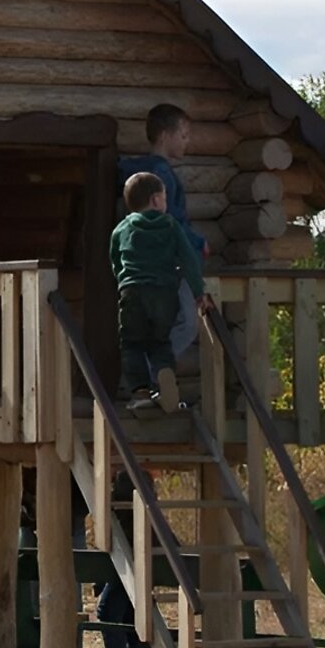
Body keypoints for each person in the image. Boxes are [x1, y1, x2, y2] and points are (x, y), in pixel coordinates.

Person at [109, 171, 205, 414]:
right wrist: (198, 293)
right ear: (155, 200)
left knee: (132, 344)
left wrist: (122, 281)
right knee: (160, 341)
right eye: (164, 198)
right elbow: (188, 260)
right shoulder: (170, 226)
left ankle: (141, 393)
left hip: (132, 292)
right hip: (164, 293)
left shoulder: (122, 229)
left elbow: (115, 260)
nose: (165, 202)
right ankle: (164, 380)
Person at [119, 103, 210, 359]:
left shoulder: (139, 175)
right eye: (183, 135)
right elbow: (168, 221)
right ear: (164, 136)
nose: (187, 142)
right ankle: (150, 375)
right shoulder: (160, 175)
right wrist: (198, 243)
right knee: (186, 324)